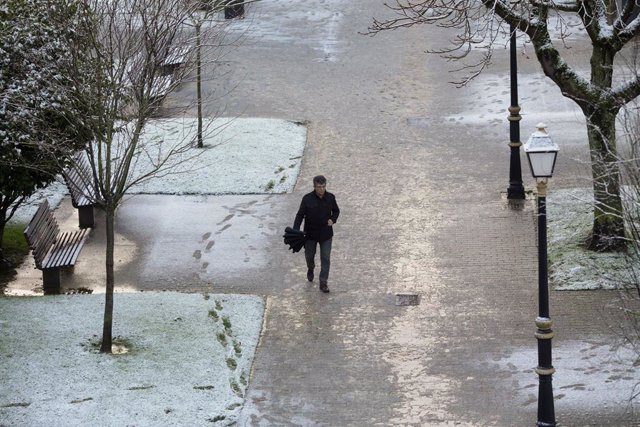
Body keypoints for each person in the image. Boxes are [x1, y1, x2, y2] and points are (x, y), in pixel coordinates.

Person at [293, 175, 340, 293]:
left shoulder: (330, 197)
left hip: (326, 235)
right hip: (310, 235)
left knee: (325, 258)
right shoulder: (307, 199)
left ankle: (323, 282)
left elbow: (336, 211)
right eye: (319, 187)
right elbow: (300, 215)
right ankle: (310, 268)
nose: (322, 189)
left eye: (323, 186)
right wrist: (296, 230)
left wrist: (333, 219)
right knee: (309, 256)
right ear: (314, 187)